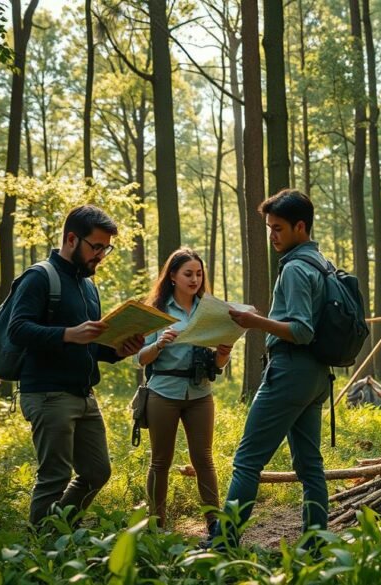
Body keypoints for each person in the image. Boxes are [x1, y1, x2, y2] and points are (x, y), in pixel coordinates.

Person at [208, 189, 334, 549]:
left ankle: (223, 543)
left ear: (300, 227)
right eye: (269, 228)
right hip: (316, 376)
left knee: (247, 461)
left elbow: (301, 330)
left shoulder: (295, 268)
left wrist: (254, 321)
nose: (272, 236)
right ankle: (315, 543)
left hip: (290, 372)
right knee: (310, 466)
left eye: (278, 228)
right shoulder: (321, 263)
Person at [9, 205, 145, 526]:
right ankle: (43, 551)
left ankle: (61, 529)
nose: (101, 255)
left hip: (85, 395)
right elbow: (18, 330)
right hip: (47, 393)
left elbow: (90, 346)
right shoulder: (39, 277)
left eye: (106, 248)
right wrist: (70, 334)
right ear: (72, 239)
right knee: (54, 476)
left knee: (97, 471)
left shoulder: (88, 286)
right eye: (96, 246)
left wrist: (120, 349)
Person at [135, 248, 233, 532]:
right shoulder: (157, 310)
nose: (195, 279)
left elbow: (216, 362)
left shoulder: (210, 310)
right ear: (173, 277)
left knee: (204, 458)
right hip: (162, 392)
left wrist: (224, 354)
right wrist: (159, 344)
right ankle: (157, 524)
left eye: (199, 274)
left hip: (200, 393)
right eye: (188, 274)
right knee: (160, 461)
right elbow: (140, 358)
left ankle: (214, 524)